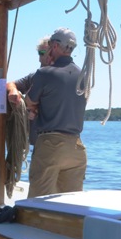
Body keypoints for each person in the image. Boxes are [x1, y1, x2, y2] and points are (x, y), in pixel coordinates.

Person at [26, 28, 87, 197]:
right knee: (71, 205)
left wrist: (36, 108)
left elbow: (29, 101)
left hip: (50, 146)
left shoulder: (44, 73)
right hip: (76, 147)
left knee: (38, 202)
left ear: (54, 45)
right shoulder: (84, 74)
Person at [6, 35, 53, 145]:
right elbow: (11, 84)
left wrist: (35, 110)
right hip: (38, 144)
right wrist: (13, 91)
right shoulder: (34, 77)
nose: (40, 58)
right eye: (39, 53)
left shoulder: (62, 79)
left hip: (53, 143)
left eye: (43, 53)